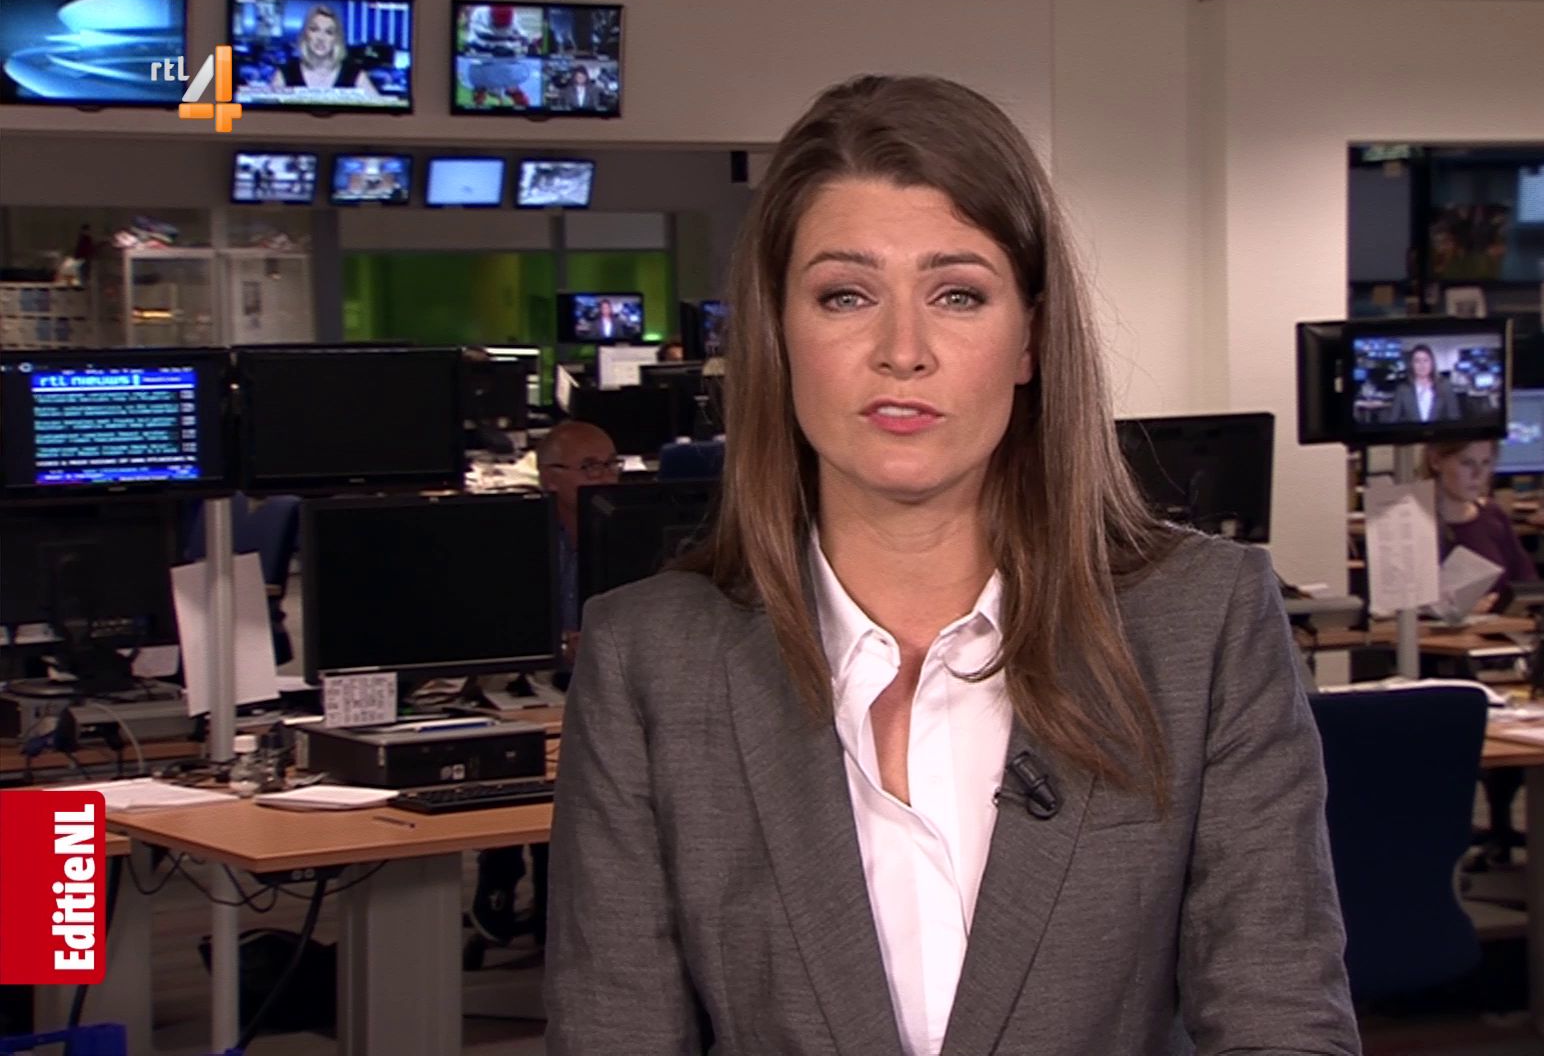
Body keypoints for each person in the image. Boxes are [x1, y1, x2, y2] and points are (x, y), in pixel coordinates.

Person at [545, 75, 1359, 1055]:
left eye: (958, 294)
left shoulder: (1203, 623)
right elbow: (615, 1030)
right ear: (778, 333)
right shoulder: (650, 658)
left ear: (1030, 338)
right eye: (846, 295)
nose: (903, 350)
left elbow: (1279, 1015)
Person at [470, 421, 619, 946]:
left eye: (610, 465)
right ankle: (502, 865)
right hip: (533, 677)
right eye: (589, 467)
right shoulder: (517, 538)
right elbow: (496, 621)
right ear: (548, 477)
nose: (604, 478)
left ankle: (559, 898)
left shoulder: (628, 527)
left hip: (608, 677)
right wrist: (555, 644)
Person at [1424, 439, 1537, 614]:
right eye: (1467, 463)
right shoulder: (1414, 524)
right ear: (1435, 461)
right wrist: (1458, 609)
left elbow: (1528, 585)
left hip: (1500, 627)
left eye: (1485, 463)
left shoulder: (1492, 515)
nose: (1478, 474)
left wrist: (1503, 604)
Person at [272, 4, 380, 97]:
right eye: (314, 29)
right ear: (305, 34)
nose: (321, 38)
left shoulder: (354, 74)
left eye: (329, 32)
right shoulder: (285, 74)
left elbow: (380, 110)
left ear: (336, 39)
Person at [1386, 343, 1461, 424]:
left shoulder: (1445, 386)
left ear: (1432, 363)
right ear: (1412, 365)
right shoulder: (1402, 389)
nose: (1422, 365)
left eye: (1425, 360)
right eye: (1417, 361)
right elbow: (1392, 420)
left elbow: (1454, 418)